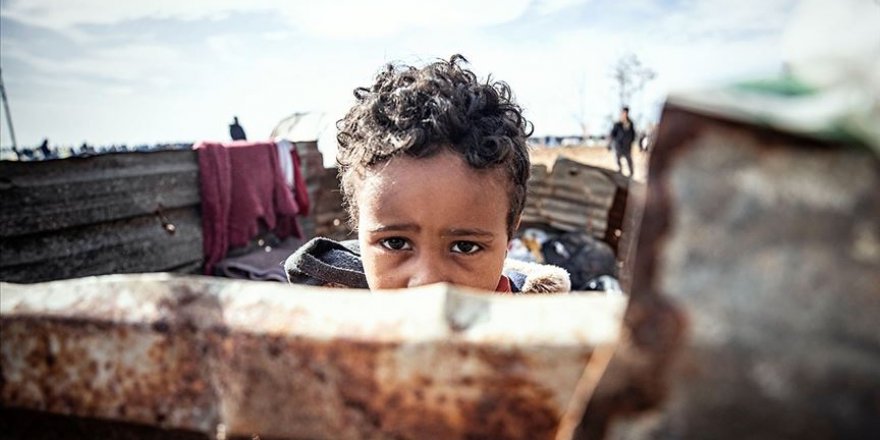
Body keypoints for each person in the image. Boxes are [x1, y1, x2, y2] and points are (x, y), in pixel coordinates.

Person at [285, 55, 570, 294]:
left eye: (465, 246)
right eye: (395, 243)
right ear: (358, 228)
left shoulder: (531, 330)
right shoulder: (331, 324)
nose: (428, 283)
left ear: (510, 234)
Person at [608, 106, 636, 177]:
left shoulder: (630, 123)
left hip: (627, 146)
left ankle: (631, 173)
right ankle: (620, 172)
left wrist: (631, 141)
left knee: (629, 160)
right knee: (618, 159)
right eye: (623, 113)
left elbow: (633, 134)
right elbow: (612, 134)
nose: (624, 114)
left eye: (625, 113)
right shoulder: (617, 124)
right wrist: (609, 143)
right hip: (619, 146)